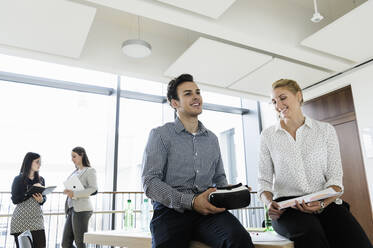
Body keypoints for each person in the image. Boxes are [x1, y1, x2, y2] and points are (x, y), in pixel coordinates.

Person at [142, 74, 254, 248]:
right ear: (175, 103)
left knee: (239, 240)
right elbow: (150, 183)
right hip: (171, 211)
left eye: (198, 92)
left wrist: (233, 193)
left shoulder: (212, 139)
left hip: (208, 211)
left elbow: (220, 180)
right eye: (187, 93)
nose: (196, 97)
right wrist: (192, 202)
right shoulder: (160, 135)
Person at [258, 79, 372, 248]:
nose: (278, 105)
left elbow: (335, 181)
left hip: (324, 202)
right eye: (274, 101)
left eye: (282, 98)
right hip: (287, 209)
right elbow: (264, 181)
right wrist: (268, 203)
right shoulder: (268, 136)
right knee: (310, 233)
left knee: (357, 242)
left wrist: (321, 204)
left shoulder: (325, 130)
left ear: (298, 96)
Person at [62, 147, 97, 248]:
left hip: (82, 209)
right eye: (71, 157)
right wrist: (69, 191)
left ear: (81, 155)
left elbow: (93, 189)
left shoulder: (90, 170)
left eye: (74, 156)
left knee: (80, 243)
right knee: (65, 243)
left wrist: (74, 194)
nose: (72, 159)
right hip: (71, 209)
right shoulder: (75, 172)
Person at [10, 152, 46, 248]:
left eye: (40, 162)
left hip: (37, 219)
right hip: (20, 220)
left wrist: (41, 200)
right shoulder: (18, 179)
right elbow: (15, 200)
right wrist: (30, 191)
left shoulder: (41, 179)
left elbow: (44, 198)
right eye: (37, 162)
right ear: (29, 162)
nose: (40, 164)